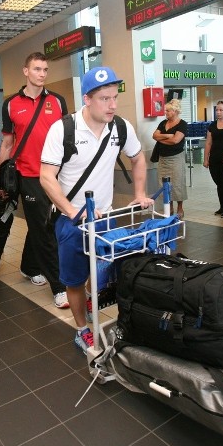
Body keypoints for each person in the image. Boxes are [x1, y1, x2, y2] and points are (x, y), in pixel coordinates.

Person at [39, 66, 153, 354]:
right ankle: (81, 330)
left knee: (103, 269)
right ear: (87, 99)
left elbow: (138, 158)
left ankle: (93, 300)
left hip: (105, 216)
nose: (112, 105)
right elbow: (46, 177)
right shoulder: (63, 129)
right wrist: (73, 211)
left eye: (115, 98)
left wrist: (139, 193)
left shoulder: (120, 127)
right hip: (72, 220)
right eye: (105, 98)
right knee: (74, 280)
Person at [0, 52, 69, 308]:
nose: (42, 74)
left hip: (56, 173)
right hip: (27, 174)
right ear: (26, 71)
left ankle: (29, 266)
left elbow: (66, 137)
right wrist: (0, 178)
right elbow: (7, 142)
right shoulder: (10, 104)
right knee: (44, 228)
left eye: (45, 70)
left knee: (45, 225)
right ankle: (59, 285)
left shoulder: (58, 101)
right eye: (37, 69)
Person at [151, 98, 187, 218]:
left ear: (175, 111)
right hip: (163, 158)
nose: (165, 113)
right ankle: (169, 208)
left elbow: (176, 140)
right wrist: (168, 136)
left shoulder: (182, 124)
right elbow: (154, 135)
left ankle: (180, 208)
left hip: (176, 158)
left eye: (168, 111)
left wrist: (162, 139)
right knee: (164, 184)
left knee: (177, 183)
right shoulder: (163, 123)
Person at [203, 100, 223, 217]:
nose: (218, 112)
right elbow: (208, 143)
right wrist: (206, 159)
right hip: (215, 158)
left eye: (221, 110)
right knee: (219, 183)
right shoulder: (212, 125)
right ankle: (222, 206)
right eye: (217, 110)